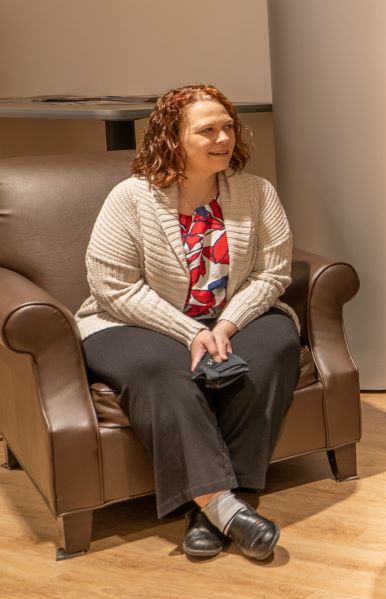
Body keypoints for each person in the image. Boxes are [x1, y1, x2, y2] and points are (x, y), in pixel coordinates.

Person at [76, 84, 301, 560]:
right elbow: (113, 287)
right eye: (207, 130)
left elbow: (272, 273)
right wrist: (190, 332)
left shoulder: (257, 193)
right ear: (173, 139)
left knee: (276, 344)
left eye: (228, 128)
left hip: (228, 318)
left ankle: (208, 511)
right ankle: (224, 505)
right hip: (131, 322)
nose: (223, 138)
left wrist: (226, 326)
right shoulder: (130, 198)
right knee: (163, 370)